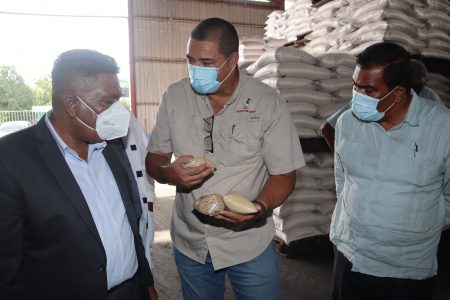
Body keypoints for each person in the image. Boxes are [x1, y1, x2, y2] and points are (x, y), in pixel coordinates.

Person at [145, 18, 305, 300]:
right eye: (190, 60)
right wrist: (168, 173)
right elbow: (154, 157)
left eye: (206, 62)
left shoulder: (266, 102)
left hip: (248, 243)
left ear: (232, 60)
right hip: (191, 242)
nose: (196, 70)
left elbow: (284, 174)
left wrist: (259, 207)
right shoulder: (175, 96)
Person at [0, 49, 156, 300]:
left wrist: (145, 281)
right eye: (108, 102)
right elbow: (7, 270)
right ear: (72, 104)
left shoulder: (111, 144)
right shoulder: (10, 160)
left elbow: (129, 221)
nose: (119, 112)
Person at [329, 42, 450, 300]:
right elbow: (343, 180)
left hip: (405, 269)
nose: (357, 96)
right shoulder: (346, 123)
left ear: (397, 94)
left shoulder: (441, 127)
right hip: (351, 257)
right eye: (355, 86)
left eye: (368, 90)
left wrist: (418, 224)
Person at [320, 59, 442, 151]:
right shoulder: (374, 98)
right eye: (411, 89)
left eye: (419, 88)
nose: (414, 94)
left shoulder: (428, 96)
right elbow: (328, 128)